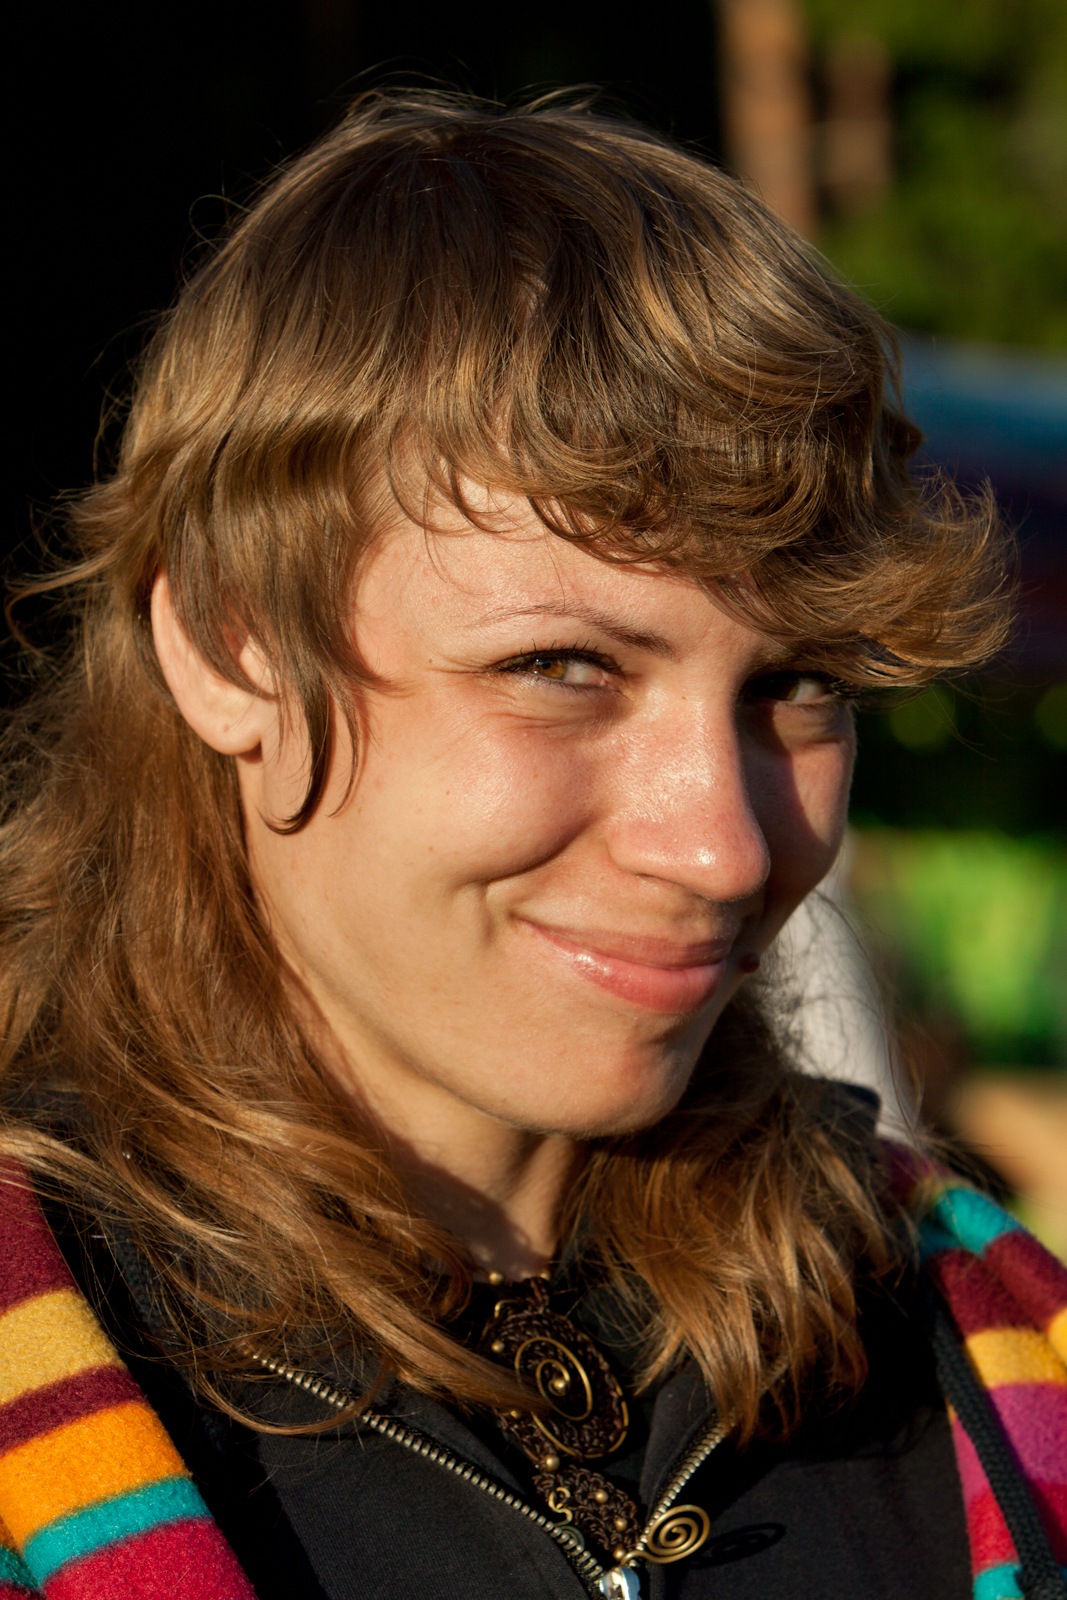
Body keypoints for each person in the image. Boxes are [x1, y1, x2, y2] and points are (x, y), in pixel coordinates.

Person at [1, 91, 1064, 1600]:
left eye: (796, 685)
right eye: (561, 667)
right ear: (232, 648)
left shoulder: (982, 1340)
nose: (721, 847)